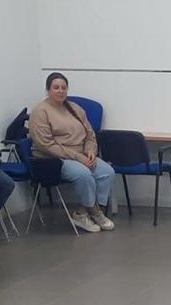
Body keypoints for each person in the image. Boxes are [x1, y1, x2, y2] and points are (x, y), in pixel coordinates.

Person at [28, 72, 115, 233]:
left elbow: (90, 134)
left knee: (107, 172)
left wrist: (90, 151)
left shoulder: (75, 108)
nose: (60, 91)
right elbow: (46, 145)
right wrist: (78, 157)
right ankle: (95, 212)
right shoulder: (40, 111)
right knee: (84, 174)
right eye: (56, 88)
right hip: (54, 158)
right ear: (48, 90)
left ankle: (83, 212)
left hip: (81, 154)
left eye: (63, 88)